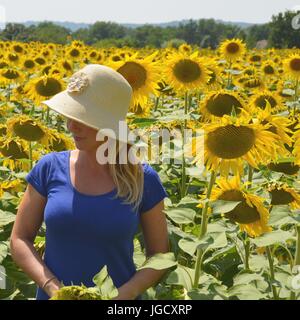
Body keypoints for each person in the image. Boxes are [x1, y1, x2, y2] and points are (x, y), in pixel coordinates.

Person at [10, 64, 170, 300]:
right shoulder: (49, 168)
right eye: (70, 115)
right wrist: (55, 289)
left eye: (84, 118)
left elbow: (160, 255)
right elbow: (19, 239)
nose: (71, 126)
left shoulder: (142, 178)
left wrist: (124, 294)